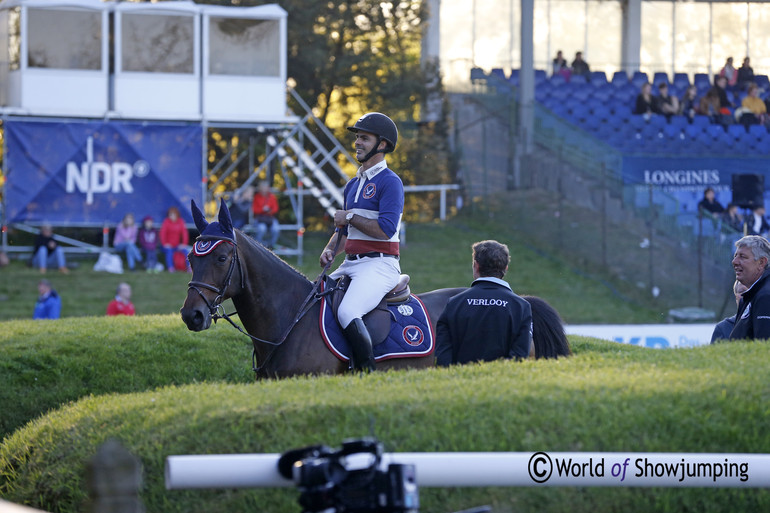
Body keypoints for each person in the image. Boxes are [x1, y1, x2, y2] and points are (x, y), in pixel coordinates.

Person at [318, 112, 403, 372]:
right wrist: (331, 247)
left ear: (383, 145)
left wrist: (350, 216)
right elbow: (345, 231)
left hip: (380, 266)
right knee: (315, 300)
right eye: (357, 138)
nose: (357, 143)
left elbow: (386, 230)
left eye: (364, 138)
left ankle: (366, 373)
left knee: (347, 312)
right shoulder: (352, 185)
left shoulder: (391, 182)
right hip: (350, 263)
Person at [435, 240, 532, 366]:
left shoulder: (453, 303)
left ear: (476, 265)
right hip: (501, 382)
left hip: (460, 382)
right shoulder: (521, 307)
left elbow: (443, 359)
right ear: (506, 268)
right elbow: (519, 357)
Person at [729, 235, 770, 340]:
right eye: (735, 255)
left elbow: (764, 349)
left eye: (742, 257)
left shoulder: (765, 296)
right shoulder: (755, 293)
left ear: (761, 262)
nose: (735, 261)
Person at [251, 180, 280, 249]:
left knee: (276, 229)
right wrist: (262, 209)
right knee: (261, 229)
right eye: (262, 188)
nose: (264, 190)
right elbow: (254, 209)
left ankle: (270, 246)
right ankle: (258, 246)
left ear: (268, 188)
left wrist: (269, 211)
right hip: (260, 218)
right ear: (260, 188)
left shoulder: (272, 196)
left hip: (270, 218)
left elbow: (275, 208)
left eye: (265, 188)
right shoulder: (256, 197)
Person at [160, 206, 189, 272]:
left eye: (174, 214)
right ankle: (171, 268)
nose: (172, 216)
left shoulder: (181, 221)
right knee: (169, 251)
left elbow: (185, 234)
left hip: (177, 245)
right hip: (167, 245)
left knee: (186, 252)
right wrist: (165, 244)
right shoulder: (166, 222)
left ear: (177, 215)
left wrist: (184, 244)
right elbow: (162, 234)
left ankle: (189, 268)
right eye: (170, 215)